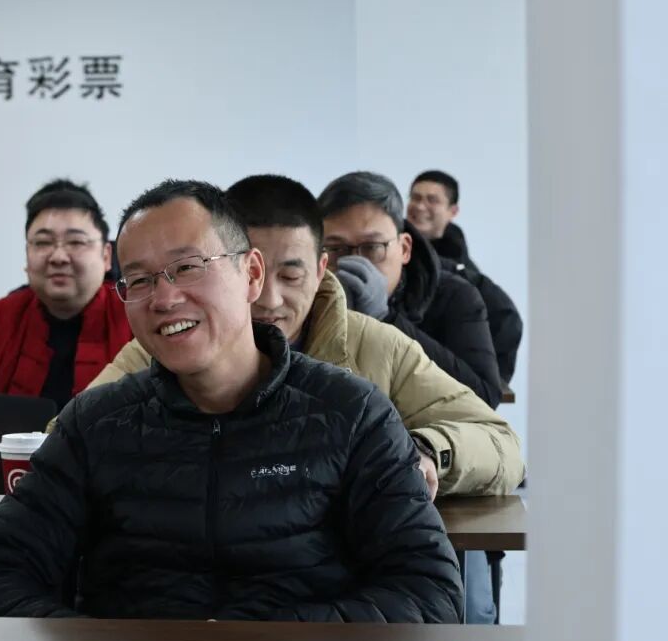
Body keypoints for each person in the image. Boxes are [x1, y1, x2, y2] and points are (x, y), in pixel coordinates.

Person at [0, 180, 463, 622]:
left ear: (252, 275)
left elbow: (428, 592)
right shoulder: (94, 423)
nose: (164, 298)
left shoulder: (351, 413)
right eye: (140, 280)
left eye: (187, 267)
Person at [90, 174, 524, 499]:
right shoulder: (163, 352)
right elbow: (68, 443)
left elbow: (500, 444)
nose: (268, 298)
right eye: (255, 275)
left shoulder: (375, 345)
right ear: (239, 270)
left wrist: (428, 452)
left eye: (291, 274)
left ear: (321, 269)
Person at [0, 179, 132, 410]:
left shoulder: (136, 315)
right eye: (43, 242)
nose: (58, 257)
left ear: (106, 255)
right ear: (27, 254)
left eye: (76, 242)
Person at [318, 171, 502, 407]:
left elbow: (484, 398)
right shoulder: (307, 295)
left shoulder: (455, 296)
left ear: (404, 249)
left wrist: (387, 319)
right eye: (335, 248)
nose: (355, 263)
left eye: (372, 247)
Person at [408, 170, 523, 382]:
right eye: (415, 198)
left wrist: (493, 382)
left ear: (453, 211)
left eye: (432, 200)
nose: (420, 206)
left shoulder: (464, 275)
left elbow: (507, 319)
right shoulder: (391, 255)